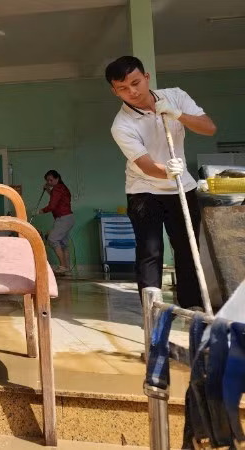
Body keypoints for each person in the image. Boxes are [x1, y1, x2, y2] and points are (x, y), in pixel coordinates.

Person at [105, 56, 217, 309]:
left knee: (188, 250)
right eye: (123, 88)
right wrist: (167, 170)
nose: (132, 91)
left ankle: (192, 307)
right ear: (115, 91)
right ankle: (152, 312)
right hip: (144, 191)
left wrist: (178, 114)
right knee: (150, 252)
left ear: (146, 78)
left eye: (136, 83)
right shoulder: (121, 125)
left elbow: (209, 128)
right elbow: (145, 165)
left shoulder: (175, 96)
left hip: (182, 188)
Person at [39, 170, 73, 274]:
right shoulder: (62, 188)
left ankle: (63, 266)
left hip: (63, 218)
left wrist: (41, 211)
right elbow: (56, 198)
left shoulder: (58, 189)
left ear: (57, 178)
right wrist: (48, 190)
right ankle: (68, 268)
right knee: (63, 244)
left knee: (52, 239)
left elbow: (52, 205)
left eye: (51, 180)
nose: (49, 182)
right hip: (69, 218)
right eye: (47, 180)